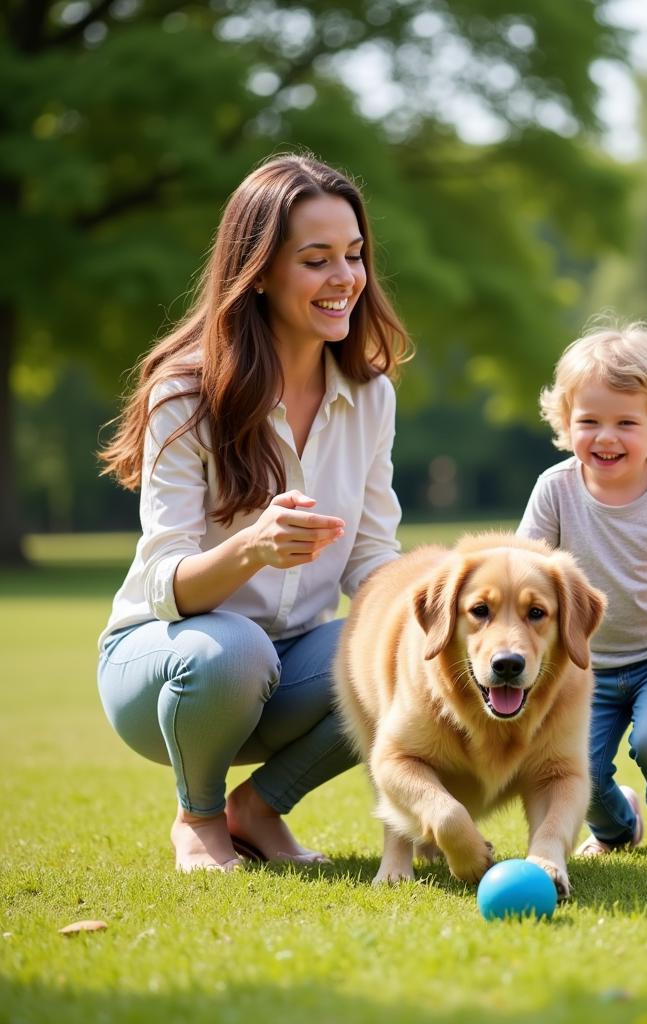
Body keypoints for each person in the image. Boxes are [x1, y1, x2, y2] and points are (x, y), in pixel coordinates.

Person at [97, 153, 411, 872]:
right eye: (316, 260)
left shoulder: (371, 396)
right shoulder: (186, 393)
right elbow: (165, 584)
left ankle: (258, 811)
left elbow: (371, 558)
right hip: (168, 670)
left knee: (404, 645)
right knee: (235, 649)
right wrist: (253, 547)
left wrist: (436, 616)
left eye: (355, 256)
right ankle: (199, 816)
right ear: (261, 269)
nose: (346, 279)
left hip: (290, 671)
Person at [518, 321, 647, 857]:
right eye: (590, 421)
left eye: (626, 422)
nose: (606, 436)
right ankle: (618, 828)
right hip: (584, 664)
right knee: (577, 768)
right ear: (565, 422)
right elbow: (525, 567)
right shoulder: (554, 489)